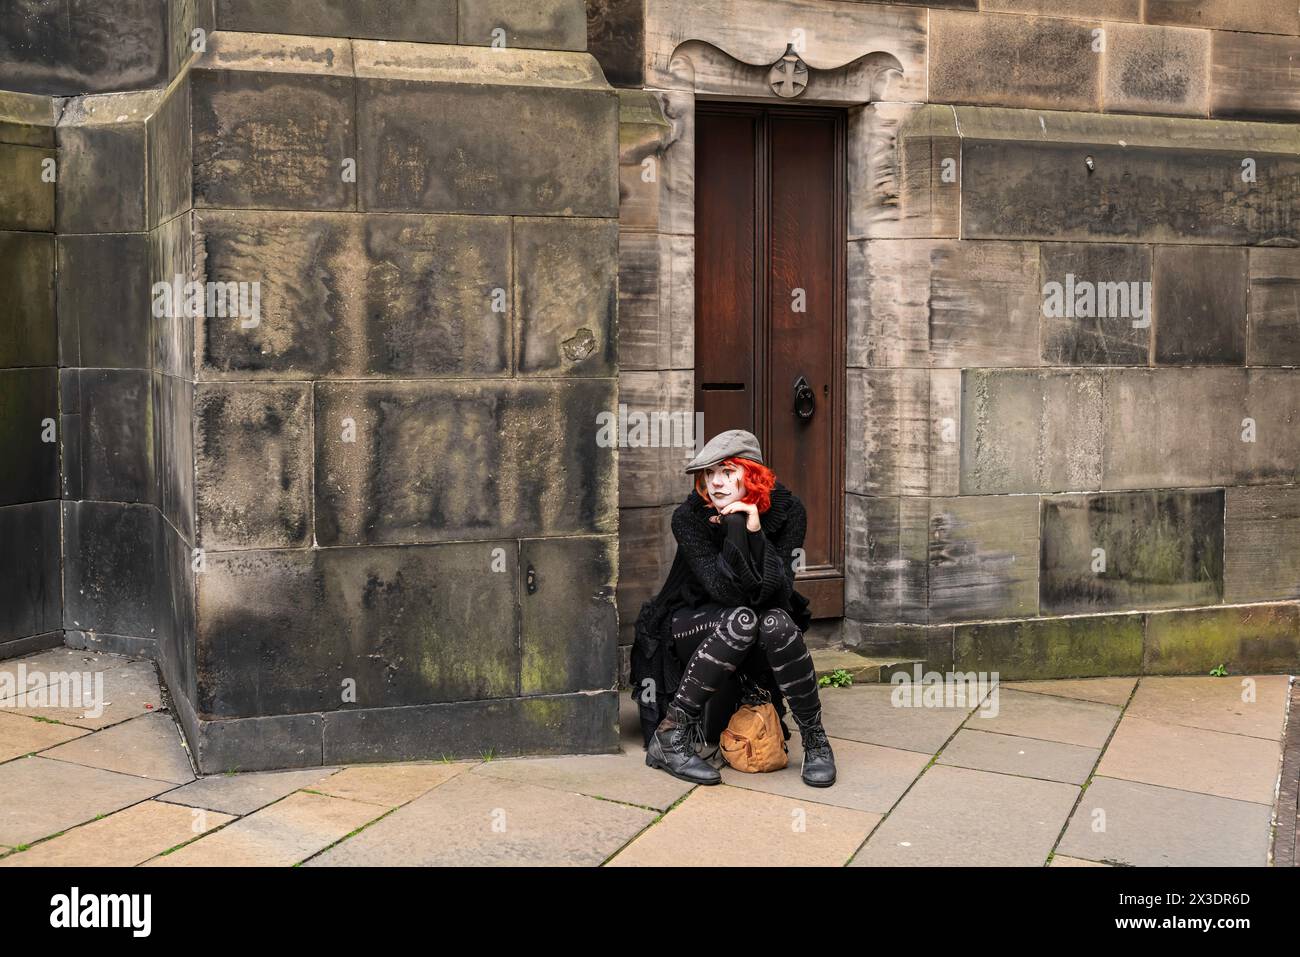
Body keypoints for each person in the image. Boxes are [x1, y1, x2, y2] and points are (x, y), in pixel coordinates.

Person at [629, 428, 836, 788]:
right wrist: (735, 530)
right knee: (742, 619)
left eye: (727, 471)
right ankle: (670, 736)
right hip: (689, 622)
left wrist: (753, 531)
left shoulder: (789, 512)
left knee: (775, 623)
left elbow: (780, 594)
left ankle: (815, 739)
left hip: (751, 618)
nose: (715, 483)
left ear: (753, 475)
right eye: (709, 473)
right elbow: (725, 591)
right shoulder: (690, 517)